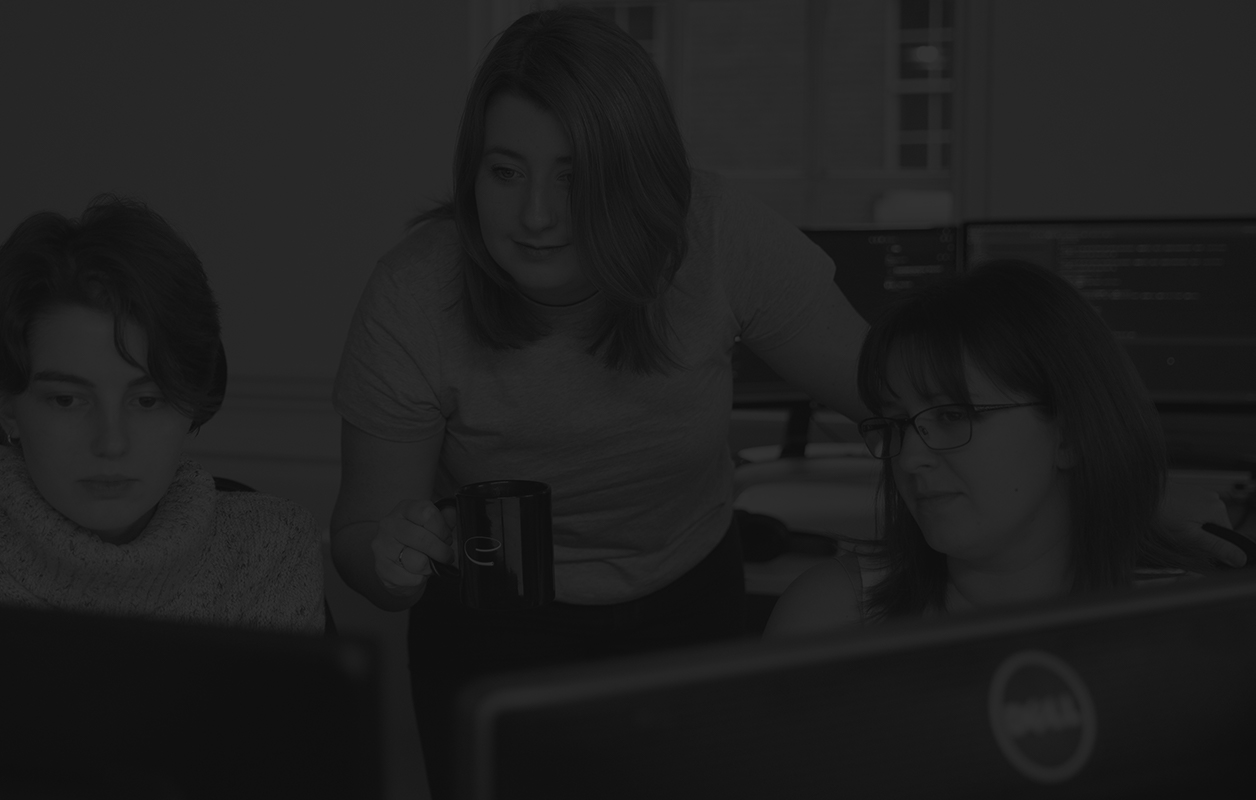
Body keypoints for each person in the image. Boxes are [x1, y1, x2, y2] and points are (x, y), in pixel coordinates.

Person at [328, 8, 1239, 797]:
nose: (533, 215)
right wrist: (394, 557)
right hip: (497, 624)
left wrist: (1143, 493)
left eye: (573, 175)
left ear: (637, 174)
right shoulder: (417, 295)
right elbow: (363, 536)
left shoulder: (718, 237)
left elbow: (898, 399)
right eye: (504, 171)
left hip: (685, 593)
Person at [0, 195, 324, 636]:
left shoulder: (270, 551)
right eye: (67, 400)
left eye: (148, 400)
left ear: (195, 401)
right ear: (6, 405)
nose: (111, 443)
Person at [764, 260, 1221, 638]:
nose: (908, 458)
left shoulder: (1196, 627)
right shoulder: (831, 617)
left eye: (953, 415)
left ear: (1072, 435)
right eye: (899, 423)